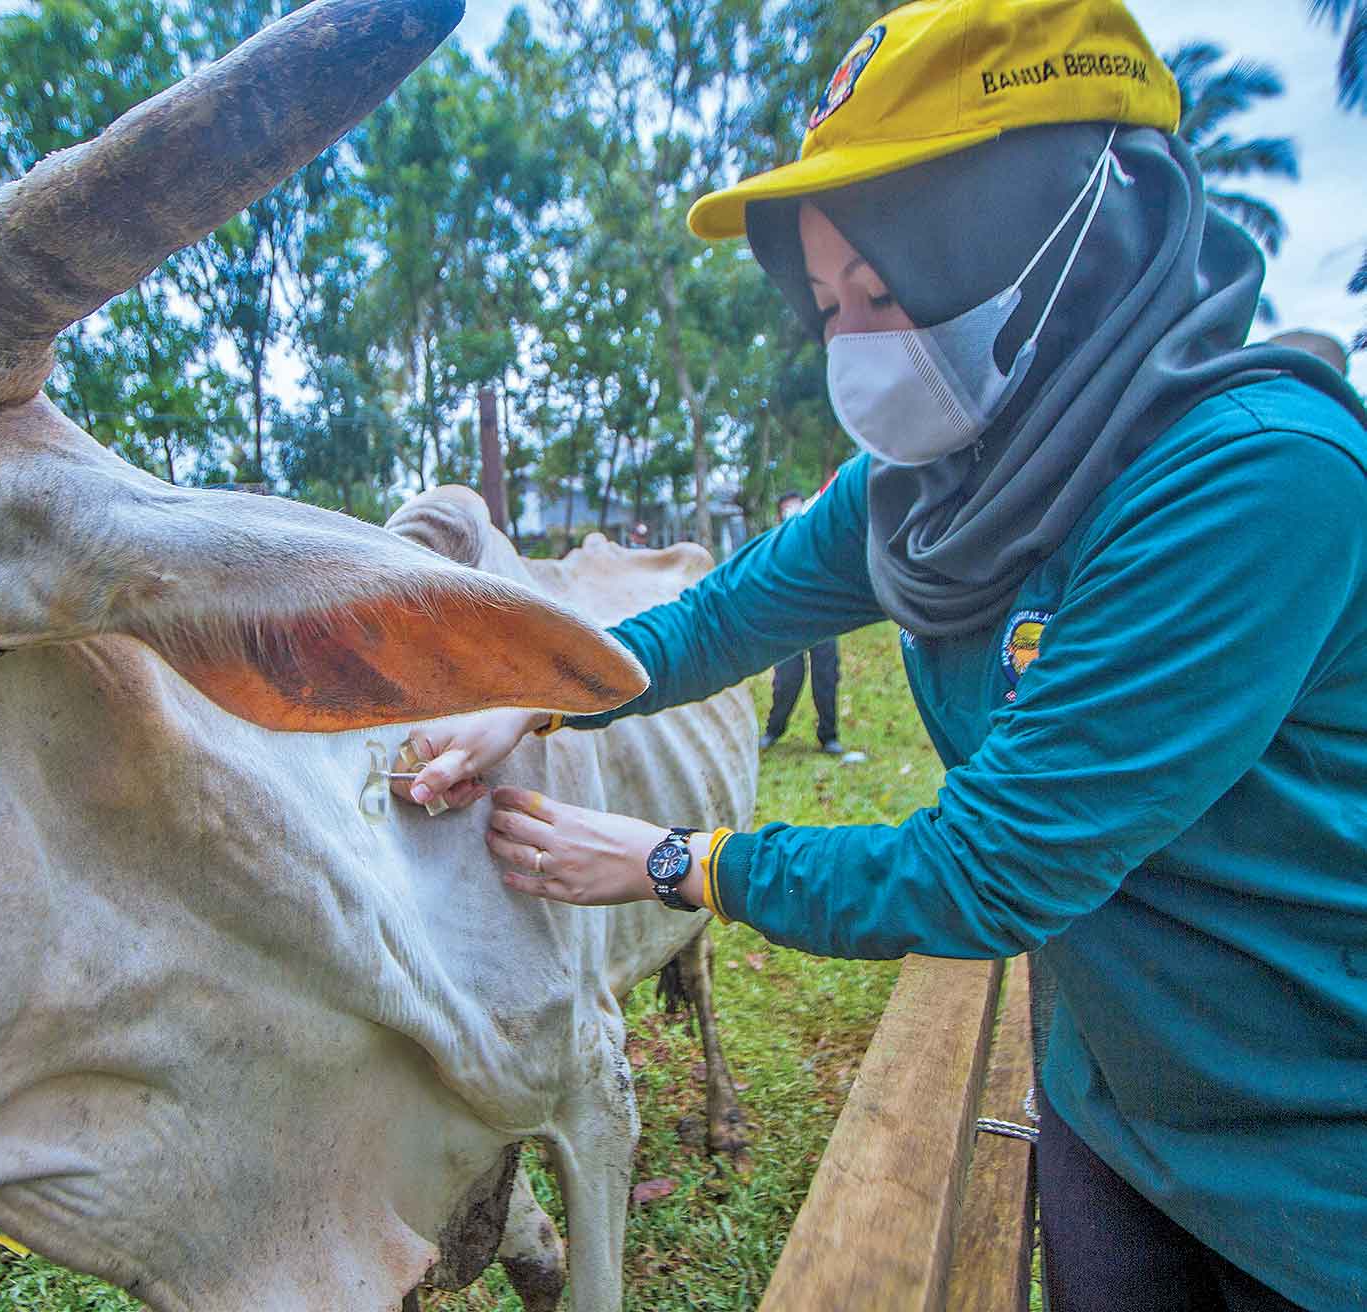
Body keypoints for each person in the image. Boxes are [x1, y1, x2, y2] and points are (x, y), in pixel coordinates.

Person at [395, 2, 1367, 1308]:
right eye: (833, 302)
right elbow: (714, 622)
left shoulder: (1249, 488)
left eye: (893, 285)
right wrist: (532, 699)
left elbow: (987, 872)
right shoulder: (933, 484)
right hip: (1111, 1091)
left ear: (1058, 246)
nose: (860, 345)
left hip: (1314, 1165)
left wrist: (671, 862)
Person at [761, 489, 845, 755]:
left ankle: (829, 736)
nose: (792, 512)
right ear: (779, 515)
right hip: (787, 622)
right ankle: (773, 730)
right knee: (787, 678)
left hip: (823, 618)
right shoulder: (773, 545)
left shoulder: (821, 541)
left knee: (826, 676)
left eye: (797, 507)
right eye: (787, 509)